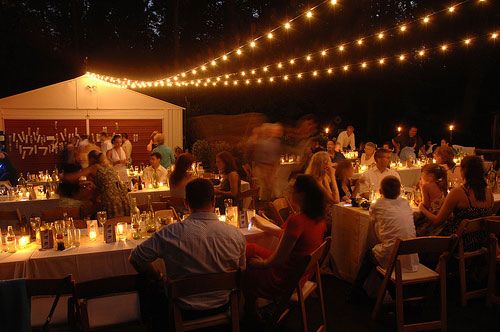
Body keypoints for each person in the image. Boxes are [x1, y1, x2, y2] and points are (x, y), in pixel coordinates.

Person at [129, 178, 245, 327]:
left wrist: (158, 277)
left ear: (186, 203)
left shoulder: (170, 233)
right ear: (214, 201)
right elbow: (242, 272)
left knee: (145, 284)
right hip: (223, 305)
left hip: (183, 309)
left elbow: (135, 258)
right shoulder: (236, 235)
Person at [243, 175, 327, 317]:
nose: (290, 193)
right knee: (250, 248)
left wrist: (261, 264)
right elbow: (289, 236)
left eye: (292, 190)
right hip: (301, 275)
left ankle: (250, 311)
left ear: (301, 195)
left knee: (245, 264)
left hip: (284, 279)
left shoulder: (297, 220)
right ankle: (252, 310)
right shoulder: (318, 219)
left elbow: (278, 260)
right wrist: (264, 226)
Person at [351, 176, 419, 300]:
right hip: (411, 254)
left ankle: (358, 291)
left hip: (392, 253)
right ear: (399, 191)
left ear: (381, 191)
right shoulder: (405, 203)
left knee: (368, 255)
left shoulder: (377, 204)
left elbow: (372, 220)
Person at [419, 156, 494, 251]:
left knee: (420, 232)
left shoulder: (459, 192)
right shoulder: (489, 192)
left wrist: (422, 208)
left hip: (459, 242)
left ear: (463, 171)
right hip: (482, 241)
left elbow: (437, 220)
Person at [87, 150, 130, 218]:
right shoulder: (108, 167)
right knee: (122, 220)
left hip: (109, 197)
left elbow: (95, 189)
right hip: (121, 195)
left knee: (110, 221)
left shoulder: (94, 168)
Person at [305, 151, 340, 227]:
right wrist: (332, 176)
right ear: (324, 164)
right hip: (315, 219)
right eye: (330, 162)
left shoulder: (322, 178)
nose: (332, 164)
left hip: (322, 214)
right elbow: (336, 200)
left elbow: (331, 196)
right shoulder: (315, 181)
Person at [414, 164, 448, 236]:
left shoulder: (426, 186)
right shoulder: (443, 184)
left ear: (430, 176)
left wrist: (420, 205)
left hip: (434, 223)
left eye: (422, 174)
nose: (421, 176)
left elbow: (426, 205)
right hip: (445, 222)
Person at [252, 123, 283, 201]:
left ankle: (269, 204)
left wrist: (274, 167)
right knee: (265, 186)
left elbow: (276, 155)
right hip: (263, 167)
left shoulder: (275, 142)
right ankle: (265, 203)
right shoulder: (262, 142)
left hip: (270, 166)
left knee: (269, 186)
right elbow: (258, 157)